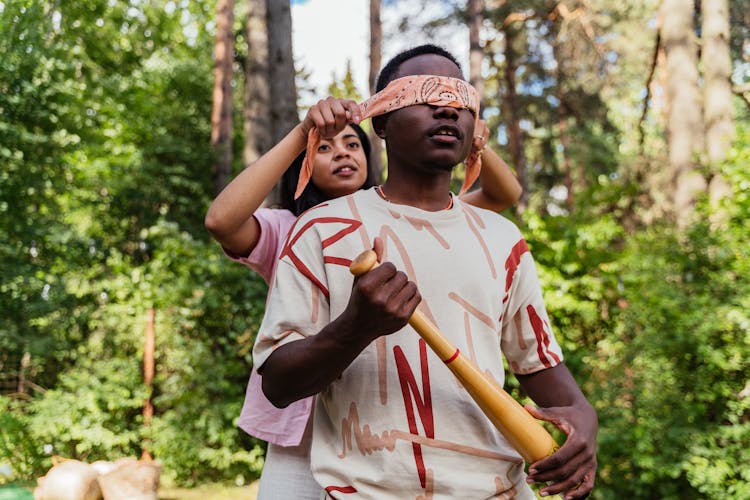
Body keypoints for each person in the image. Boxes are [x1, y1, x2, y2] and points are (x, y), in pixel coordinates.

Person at [252, 43, 598, 499]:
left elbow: (545, 373)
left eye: (460, 100)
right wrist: (357, 327)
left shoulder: (502, 238)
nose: (446, 109)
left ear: (476, 127)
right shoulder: (323, 228)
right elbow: (278, 384)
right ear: (380, 122)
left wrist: (584, 422)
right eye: (424, 96)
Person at [204, 88, 523, 498]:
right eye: (324, 148)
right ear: (302, 165)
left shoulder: (413, 219)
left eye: (353, 144)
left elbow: (504, 195)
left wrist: (473, 140)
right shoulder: (289, 229)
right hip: (300, 425)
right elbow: (221, 220)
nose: (342, 153)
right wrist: (303, 132)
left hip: (380, 425)